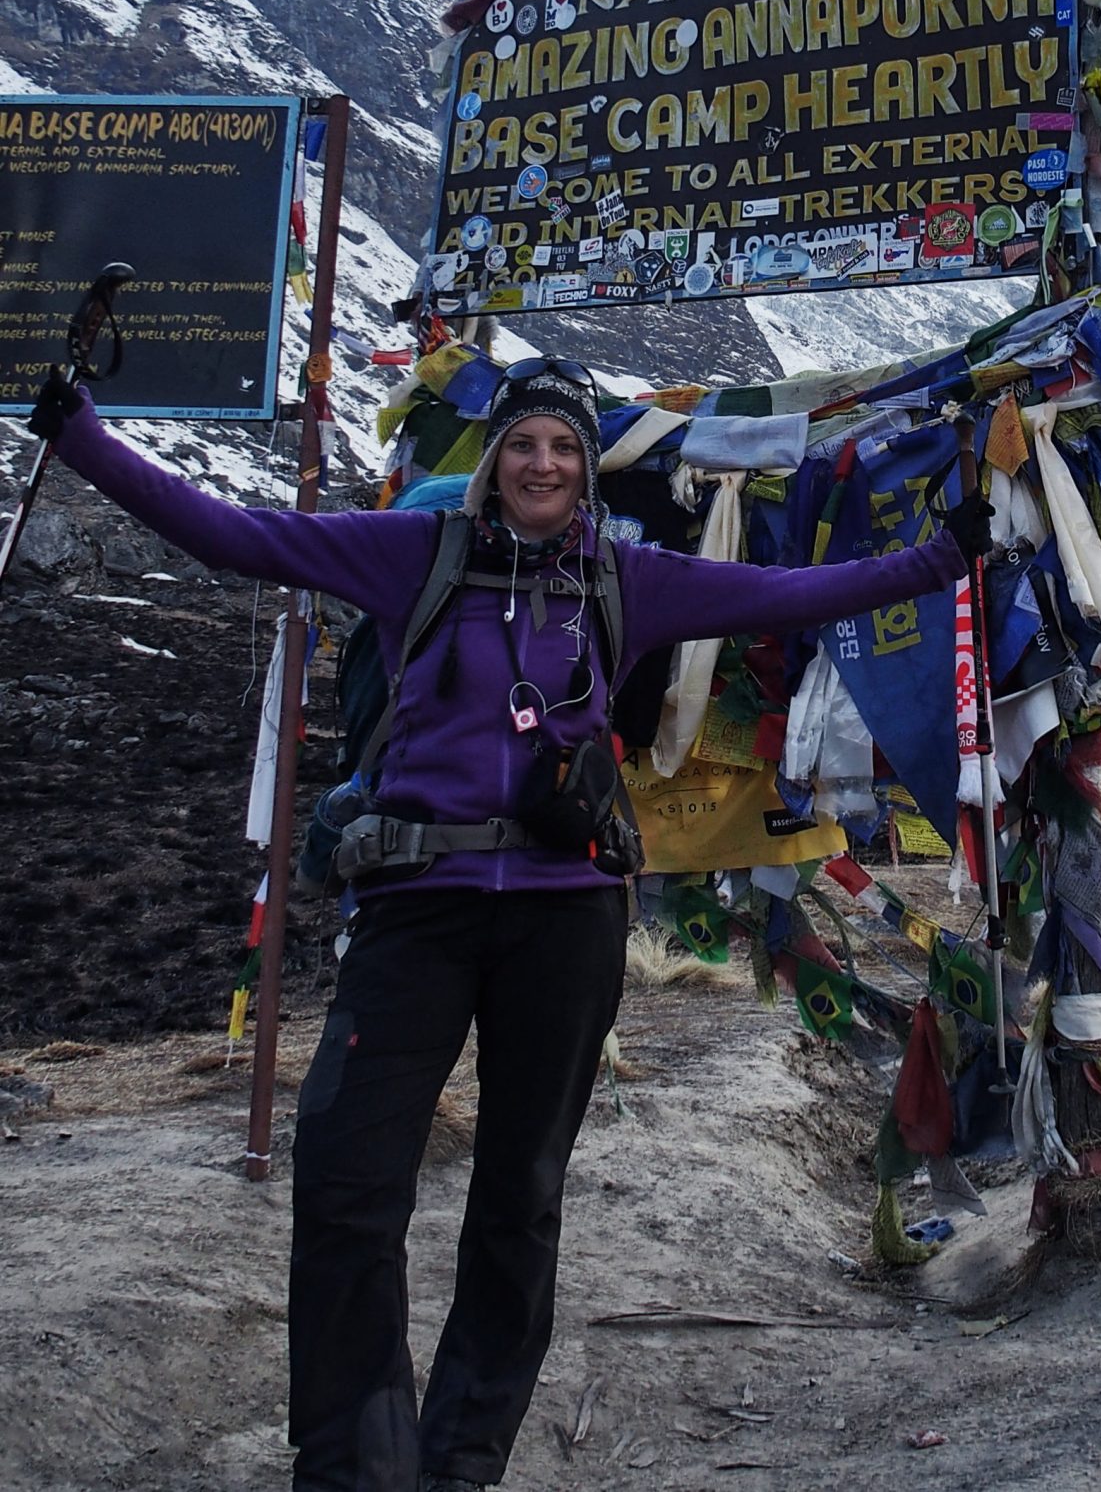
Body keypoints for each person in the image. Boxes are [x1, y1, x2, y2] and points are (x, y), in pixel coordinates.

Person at [32, 356, 991, 1492]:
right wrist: (80, 433)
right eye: (524, 443)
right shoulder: (413, 553)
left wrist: (943, 555)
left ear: (587, 470)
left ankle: (460, 1462)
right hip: (416, 910)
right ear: (492, 460)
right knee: (346, 1176)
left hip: (565, 916)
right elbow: (235, 533)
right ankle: (355, 1464)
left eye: (565, 447)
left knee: (519, 1192)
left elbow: (794, 597)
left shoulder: (630, 580)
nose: (544, 463)